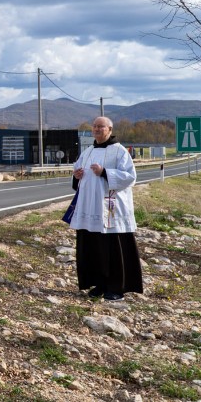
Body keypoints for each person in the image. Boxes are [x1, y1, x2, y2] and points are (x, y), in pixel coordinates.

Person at [69, 116, 143, 301]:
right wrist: (76, 176)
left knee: (113, 249)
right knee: (93, 247)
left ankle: (117, 287)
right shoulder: (87, 152)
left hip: (112, 209)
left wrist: (104, 173)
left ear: (109, 129)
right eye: (94, 126)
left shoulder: (119, 152)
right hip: (90, 209)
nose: (96, 129)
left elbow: (130, 177)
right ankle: (99, 284)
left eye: (100, 126)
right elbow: (78, 174)